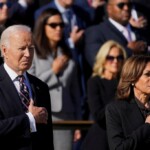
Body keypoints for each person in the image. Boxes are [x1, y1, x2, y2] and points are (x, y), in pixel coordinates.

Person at [28, 8, 82, 150]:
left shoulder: (68, 53)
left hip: (66, 116)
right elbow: (29, 83)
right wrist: (53, 71)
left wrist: (77, 122)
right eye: (53, 25)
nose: (58, 29)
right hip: (42, 114)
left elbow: (75, 92)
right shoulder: (33, 53)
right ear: (42, 26)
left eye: (61, 25)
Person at [0, 25, 54, 150]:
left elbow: (47, 136)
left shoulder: (41, 87)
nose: (28, 54)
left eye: (31, 48)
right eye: (22, 48)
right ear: (4, 50)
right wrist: (29, 119)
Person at [81, 40, 126, 150]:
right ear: (103, 59)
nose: (115, 61)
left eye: (119, 58)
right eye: (110, 58)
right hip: (101, 138)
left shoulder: (125, 83)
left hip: (123, 138)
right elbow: (99, 115)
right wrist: (119, 93)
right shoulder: (94, 82)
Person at [83, 0, 149, 69]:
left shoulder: (141, 32)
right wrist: (129, 51)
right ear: (109, 8)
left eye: (129, 5)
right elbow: (97, 62)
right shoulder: (96, 32)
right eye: (121, 5)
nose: (126, 8)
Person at [105, 55, 150, 150]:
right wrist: (147, 127)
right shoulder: (115, 110)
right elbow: (118, 148)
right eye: (147, 74)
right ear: (133, 78)